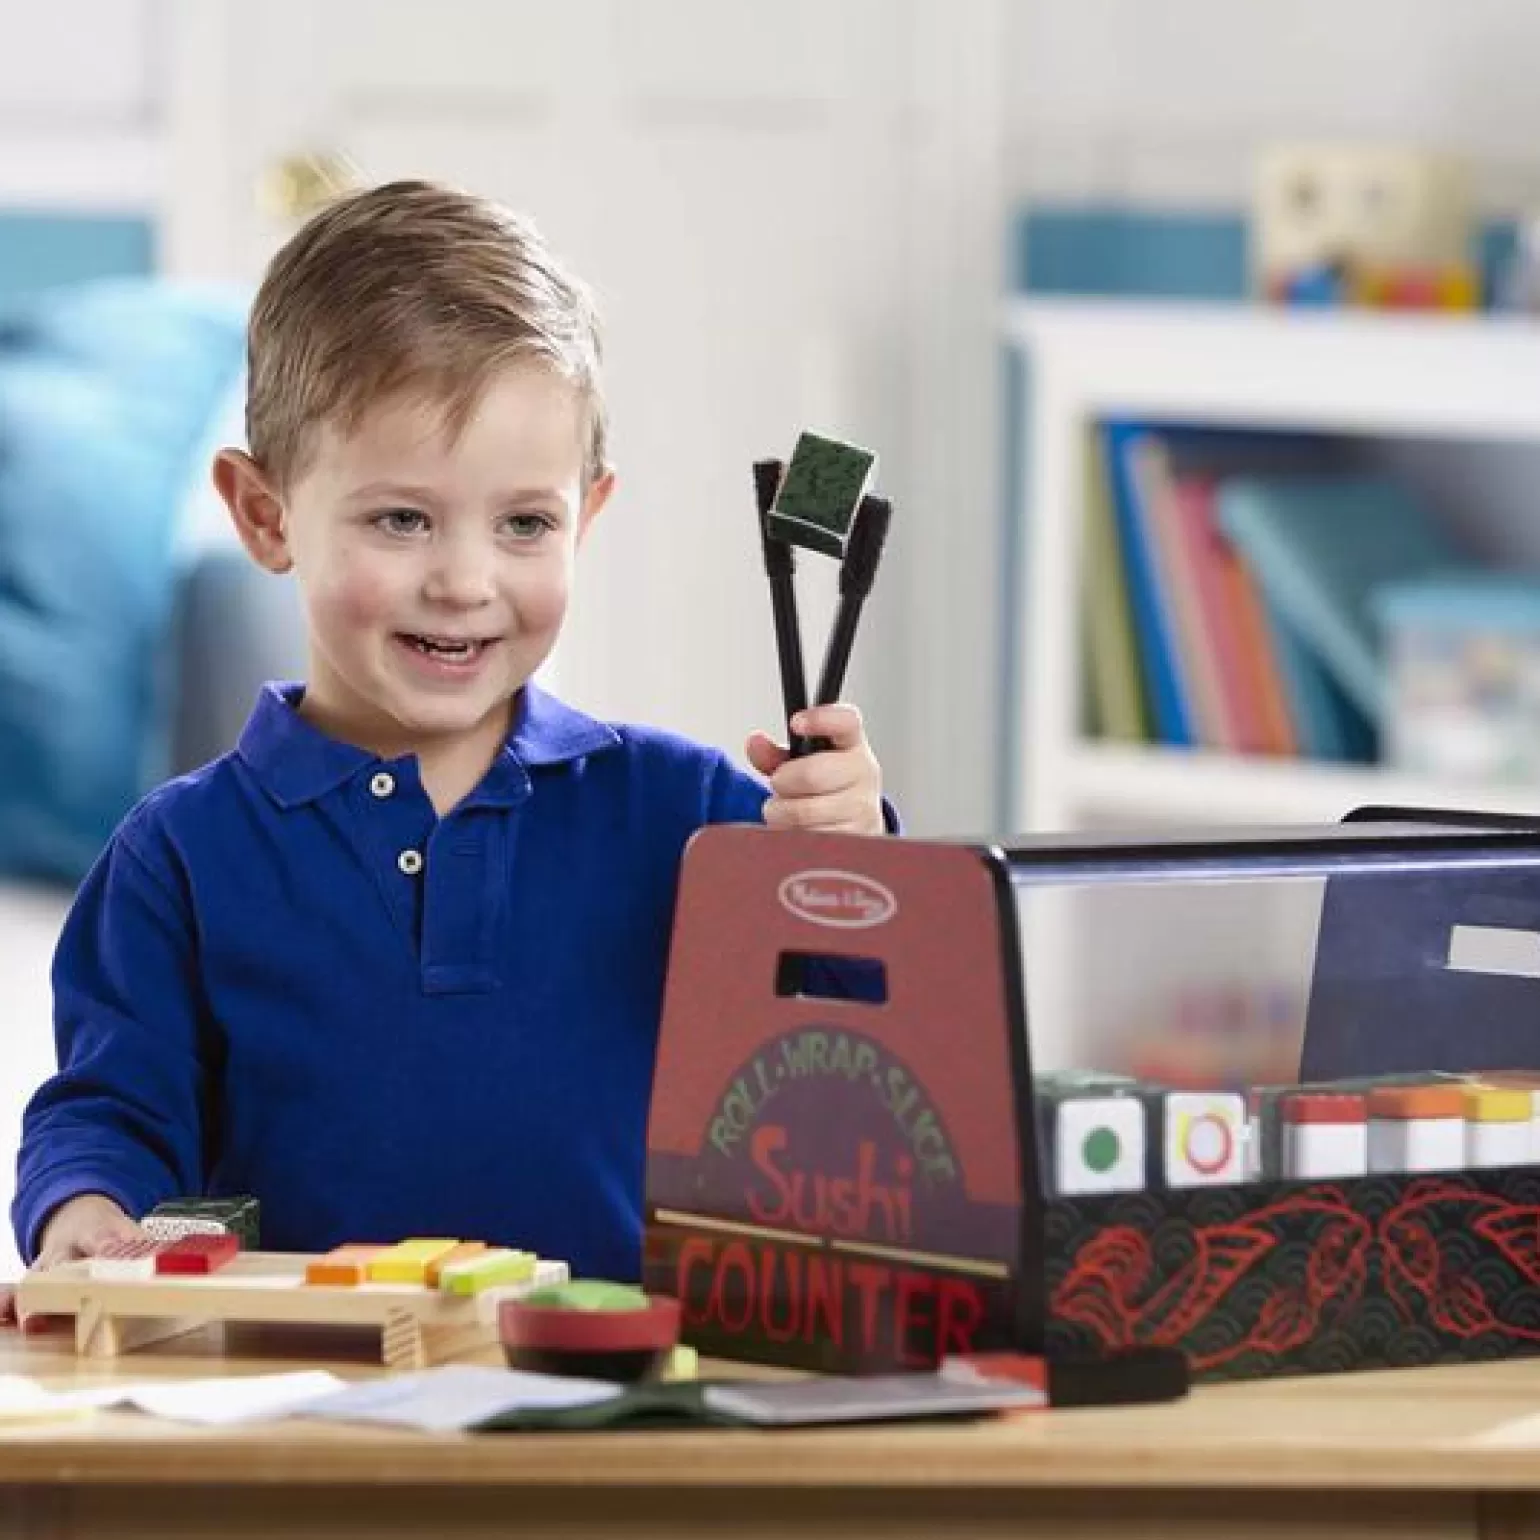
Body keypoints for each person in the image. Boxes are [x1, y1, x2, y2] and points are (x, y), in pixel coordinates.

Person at [12, 180, 890, 1284]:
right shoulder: (176, 859)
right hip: (302, 1411)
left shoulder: (698, 816)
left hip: (618, 1404)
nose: (465, 581)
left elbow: (864, 1042)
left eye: (525, 523)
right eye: (401, 519)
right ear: (264, 515)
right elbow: (110, 1111)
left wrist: (849, 854)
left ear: (589, 515)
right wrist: (84, 1211)